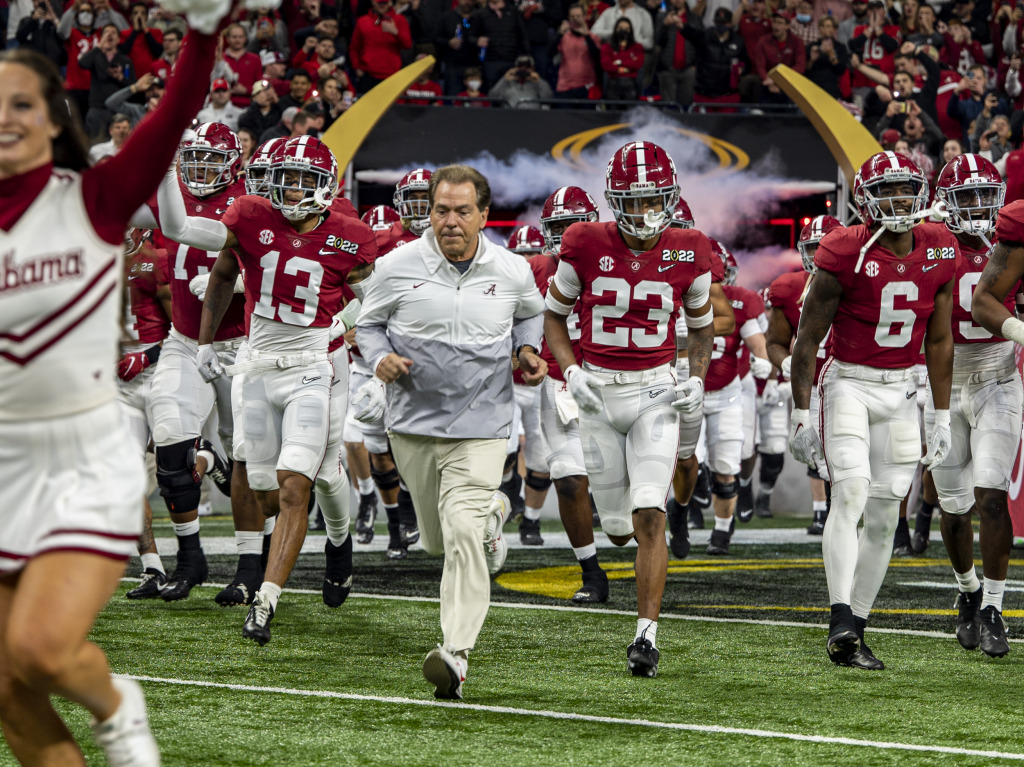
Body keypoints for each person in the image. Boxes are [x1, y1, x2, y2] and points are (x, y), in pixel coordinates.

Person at [0, 16, 215, 763]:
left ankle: (118, 700)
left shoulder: (94, 195)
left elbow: (176, 113)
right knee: (6, 684)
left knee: (42, 648)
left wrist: (206, 31)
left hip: (79, 454)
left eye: (22, 103)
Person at [163, 136, 376, 645]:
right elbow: (215, 265)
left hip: (313, 364)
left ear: (327, 187)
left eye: (305, 178)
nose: (292, 187)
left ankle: (272, 597)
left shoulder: (351, 233)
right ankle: (221, 469)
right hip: (256, 365)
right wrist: (208, 340)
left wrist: (345, 324)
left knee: (301, 482)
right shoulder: (251, 215)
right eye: (286, 175)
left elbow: (374, 296)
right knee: (263, 489)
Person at [354, 164, 547, 699]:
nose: (451, 221)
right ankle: (494, 515)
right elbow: (366, 325)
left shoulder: (511, 269)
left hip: (482, 423)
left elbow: (531, 315)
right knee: (438, 541)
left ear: (484, 215)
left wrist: (525, 349)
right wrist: (380, 358)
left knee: (458, 529)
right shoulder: (395, 265)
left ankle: (455, 654)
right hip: (413, 424)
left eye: (463, 211)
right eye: (442, 210)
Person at [544, 141, 716, 677]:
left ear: (671, 197)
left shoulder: (691, 248)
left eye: (653, 199)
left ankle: (646, 637)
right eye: (632, 200)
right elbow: (555, 318)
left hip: (655, 391)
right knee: (618, 527)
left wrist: (696, 377)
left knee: (649, 512)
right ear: (612, 200)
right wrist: (572, 370)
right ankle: (622, 545)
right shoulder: (585, 240)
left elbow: (703, 324)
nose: (643, 212)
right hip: (596, 391)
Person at [789, 151, 956, 670]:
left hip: (905, 389)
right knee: (853, 491)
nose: (899, 200)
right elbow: (807, 340)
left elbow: (942, 338)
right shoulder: (843, 250)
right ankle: (839, 613)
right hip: (850, 384)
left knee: (886, 514)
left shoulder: (940, 247)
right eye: (886, 191)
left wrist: (942, 414)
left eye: (906, 189)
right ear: (864, 199)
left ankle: (855, 628)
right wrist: (801, 410)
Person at [137, 122, 262, 607]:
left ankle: (253, 565)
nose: (200, 170)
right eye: (193, 160)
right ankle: (191, 557)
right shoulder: (173, 197)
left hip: (244, 345)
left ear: (233, 162)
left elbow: (274, 269)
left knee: (251, 462)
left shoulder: (252, 203)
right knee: (168, 440)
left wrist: (230, 287)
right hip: (185, 340)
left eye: (211, 160)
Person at [921, 154, 1019, 658]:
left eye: (986, 195)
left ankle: (995, 607)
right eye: (968, 197)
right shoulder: (928, 242)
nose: (979, 207)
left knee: (992, 495)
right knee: (953, 507)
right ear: (947, 202)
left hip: (998, 375)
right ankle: (967, 590)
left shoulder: (1011, 244)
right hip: (941, 381)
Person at [533, 185, 610, 599]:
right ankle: (591, 572)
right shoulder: (534, 270)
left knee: (622, 504)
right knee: (567, 478)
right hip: (559, 385)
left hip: (613, 381)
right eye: (558, 227)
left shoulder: (613, 261)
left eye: (573, 226)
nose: (565, 236)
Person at [766, 214, 844, 534]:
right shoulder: (787, 288)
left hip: (852, 379)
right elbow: (774, 342)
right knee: (820, 456)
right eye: (813, 248)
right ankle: (827, 513)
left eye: (827, 247)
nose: (819, 256)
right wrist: (788, 365)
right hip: (812, 385)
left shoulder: (864, 279)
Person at [700, 240, 772, 553]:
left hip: (731, 384)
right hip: (689, 387)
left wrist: (764, 364)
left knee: (730, 459)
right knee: (691, 458)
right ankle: (683, 510)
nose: (718, 281)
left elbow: (760, 344)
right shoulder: (678, 297)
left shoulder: (743, 302)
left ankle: (722, 528)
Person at [349, 0, 413, 92]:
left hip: (392, 75)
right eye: (380, 3)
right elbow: (354, 47)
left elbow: (407, 45)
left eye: (385, 3)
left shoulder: (399, 20)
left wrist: (396, 32)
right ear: (373, 2)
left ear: (390, 3)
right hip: (368, 75)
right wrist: (357, 68)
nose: (382, 5)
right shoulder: (362, 21)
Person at [600, 18, 643, 101]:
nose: (623, 31)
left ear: (631, 31)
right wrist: (625, 69)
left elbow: (637, 64)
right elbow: (606, 65)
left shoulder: (637, 47)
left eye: (627, 29)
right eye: (620, 28)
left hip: (631, 83)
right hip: (613, 82)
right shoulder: (607, 47)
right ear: (615, 30)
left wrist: (620, 62)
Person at [488, 53, 553, 107]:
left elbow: (548, 99)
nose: (523, 69)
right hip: (510, 116)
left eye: (527, 67)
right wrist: (504, 79)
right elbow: (492, 97)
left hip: (532, 116)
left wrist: (539, 81)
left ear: (532, 68)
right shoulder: (507, 82)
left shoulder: (537, 83)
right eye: (520, 66)